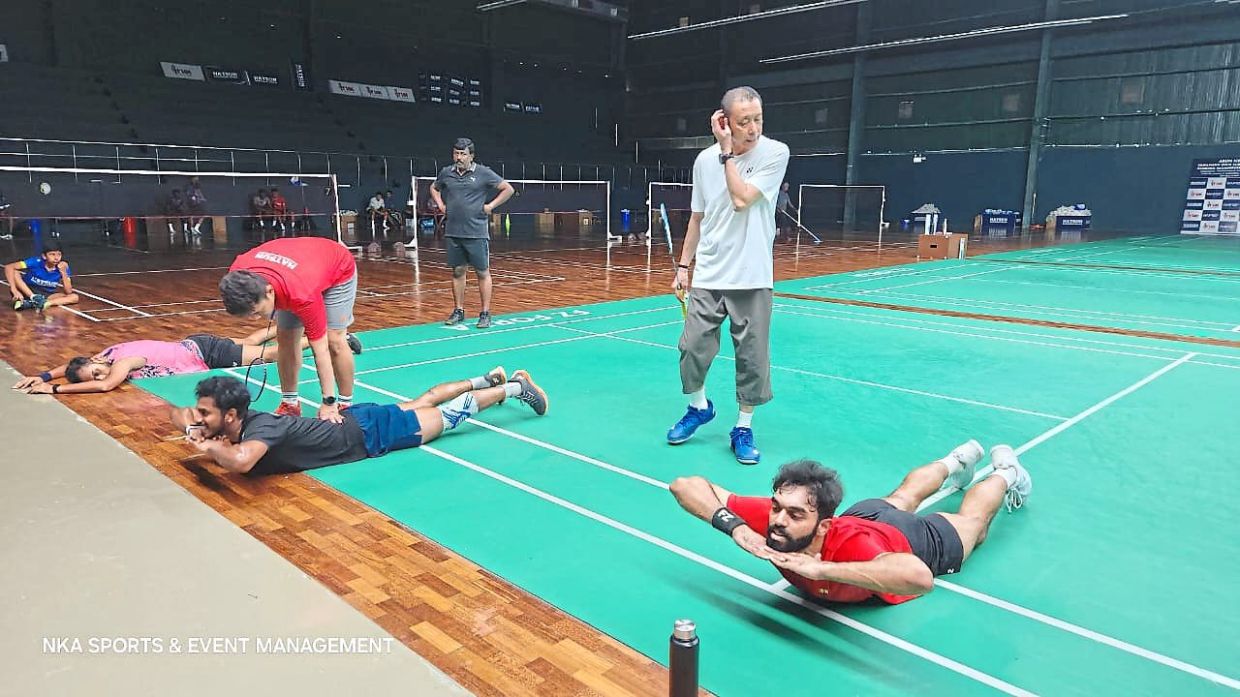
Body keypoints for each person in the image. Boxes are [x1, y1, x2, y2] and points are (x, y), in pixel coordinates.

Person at [670, 440, 1032, 604]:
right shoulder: (775, 518)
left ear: (823, 525)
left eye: (795, 515)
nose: (778, 521)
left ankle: (1005, 472)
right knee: (903, 496)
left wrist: (822, 570)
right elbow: (686, 486)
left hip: (912, 541)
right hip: (867, 515)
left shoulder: (854, 547)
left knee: (974, 524)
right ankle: (956, 461)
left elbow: (919, 578)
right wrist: (734, 526)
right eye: (778, 507)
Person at [666, 86, 789, 465]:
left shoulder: (775, 153)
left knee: (752, 358)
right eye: (743, 122)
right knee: (691, 347)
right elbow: (698, 216)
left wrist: (726, 154)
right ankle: (699, 407)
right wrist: (684, 267)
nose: (752, 129)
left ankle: (743, 427)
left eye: (758, 119)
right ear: (724, 121)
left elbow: (740, 199)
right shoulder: (703, 161)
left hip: (752, 276)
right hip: (709, 272)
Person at [168, 367, 548, 475]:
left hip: (368, 433)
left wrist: (211, 448)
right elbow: (175, 414)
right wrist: (192, 427)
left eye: (205, 413)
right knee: (420, 401)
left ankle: (514, 388)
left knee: (448, 416)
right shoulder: (240, 423)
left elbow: (241, 462)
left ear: (230, 416)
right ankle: (486, 378)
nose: (198, 417)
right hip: (356, 420)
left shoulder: (261, 428)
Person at [218, 237, 363, 422]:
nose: (254, 319)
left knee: (334, 340)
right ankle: (290, 403)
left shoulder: (302, 295)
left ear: (270, 292)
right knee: (285, 338)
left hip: (337, 268)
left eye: (256, 312)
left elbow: (320, 350)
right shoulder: (237, 277)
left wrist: (329, 401)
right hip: (298, 266)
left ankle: (345, 404)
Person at [9, 326, 349, 395]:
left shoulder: (121, 362)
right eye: (95, 371)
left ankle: (334, 338)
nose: (101, 372)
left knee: (270, 355)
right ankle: (291, 323)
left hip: (205, 353)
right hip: (195, 344)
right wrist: (42, 374)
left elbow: (106, 385)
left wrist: (54, 390)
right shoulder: (106, 352)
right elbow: (74, 366)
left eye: (97, 370)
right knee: (248, 341)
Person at [429, 137, 515, 329]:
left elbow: (508, 189)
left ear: (471, 156)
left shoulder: (483, 173)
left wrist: (491, 205)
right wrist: (441, 204)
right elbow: (433, 188)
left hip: (476, 232)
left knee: (482, 272)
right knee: (458, 271)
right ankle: (458, 311)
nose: (459, 157)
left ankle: (485, 313)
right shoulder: (446, 173)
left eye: (463, 154)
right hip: (453, 231)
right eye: (456, 153)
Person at [5, 240, 79, 311]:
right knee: (15, 272)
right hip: (26, 290)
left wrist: (63, 272)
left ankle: (43, 303)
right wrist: (14, 290)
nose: (56, 258)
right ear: (44, 256)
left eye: (59, 254)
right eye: (52, 254)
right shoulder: (35, 261)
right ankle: (33, 298)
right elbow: (9, 267)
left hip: (45, 295)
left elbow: (68, 291)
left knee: (74, 297)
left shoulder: (63, 267)